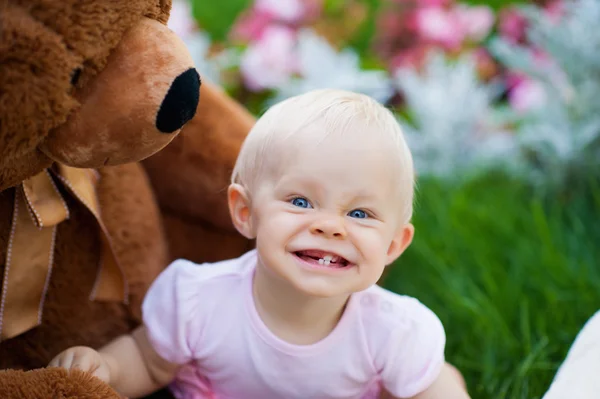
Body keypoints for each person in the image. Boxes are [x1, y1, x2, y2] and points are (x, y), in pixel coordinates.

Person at [48, 89, 470, 399]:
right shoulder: (197, 301)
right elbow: (146, 361)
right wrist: (105, 368)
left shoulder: (393, 331)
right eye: (301, 201)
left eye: (359, 214)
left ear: (395, 244)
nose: (330, 227)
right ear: (245, 212)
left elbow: (433, 387)